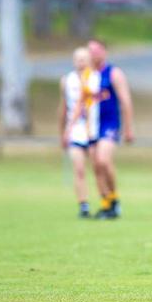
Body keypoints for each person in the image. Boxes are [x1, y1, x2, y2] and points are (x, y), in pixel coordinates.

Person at [85, 39, 134, 219]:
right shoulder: (86, 75)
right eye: (90, 50)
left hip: (109, 125)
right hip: (91, 125)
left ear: (104, 52)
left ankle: (114, 199)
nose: (93, 54)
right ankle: (106, 204)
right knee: (96, 166)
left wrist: (128, 128)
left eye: (96, 50)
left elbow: (125, 101)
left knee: (103, 160)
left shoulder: (113, 73)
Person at [58, 47, 98, 218]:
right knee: (79, 169)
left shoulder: (95, 79)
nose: (81, 62)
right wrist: (63, 131)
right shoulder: (67, 81)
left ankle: (106, 201)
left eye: (84, 59)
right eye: (78, 59)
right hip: (75, 130)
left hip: (93, 128)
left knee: (98, 168)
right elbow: (65, 107)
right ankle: (84, 205)